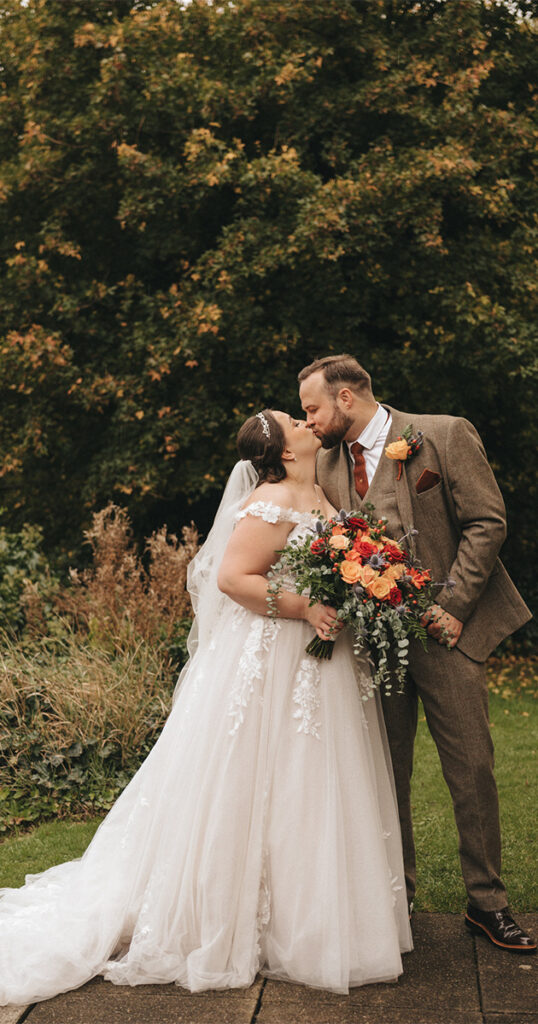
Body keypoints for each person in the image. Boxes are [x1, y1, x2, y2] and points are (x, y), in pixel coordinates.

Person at [0, 408, 412, 1006]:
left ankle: (313, 920)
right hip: (271, 654)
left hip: (320, 659)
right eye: (293, 419)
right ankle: (227, 918)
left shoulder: (319, 488)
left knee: (312, 780)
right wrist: (303, 608)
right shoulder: (267, 502)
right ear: (284, 449)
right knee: (249, 777)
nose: (304, 420)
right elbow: (231, 578)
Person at [298, 353, 536, 955]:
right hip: (374, 643)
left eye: (313, 408)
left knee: (472, 768)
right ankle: (393, 901)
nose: (309, 422)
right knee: (383, 775)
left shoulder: (443, 435)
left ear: (346, 398)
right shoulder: (323, 464)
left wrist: (453, 606)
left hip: (447, 632)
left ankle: (487, 903)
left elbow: (488, 521)